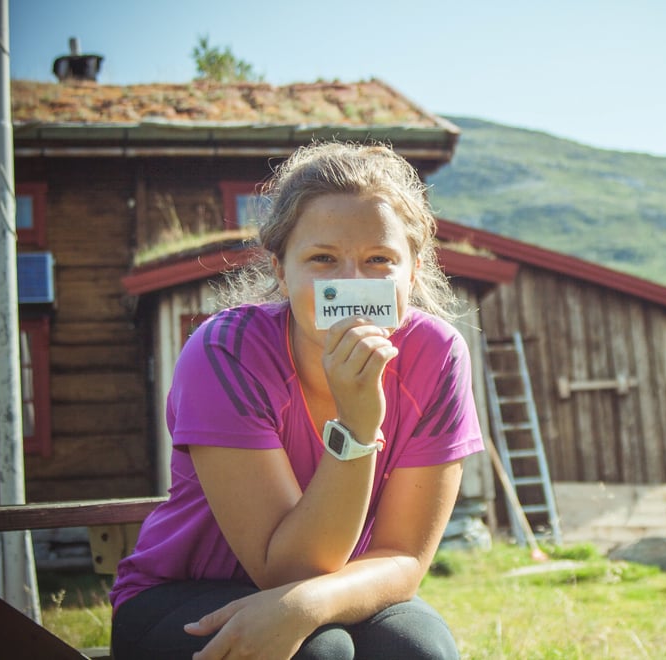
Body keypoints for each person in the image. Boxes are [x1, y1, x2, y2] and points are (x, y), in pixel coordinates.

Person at [109, 142, 484, 659]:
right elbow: (285, 568)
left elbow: (403, 556)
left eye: (379, 260)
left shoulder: (437, 355)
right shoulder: (225, 352)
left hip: (343, 582)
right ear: (281, 270)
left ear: (413, 272)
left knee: (416, 647)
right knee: (319, 653)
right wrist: (357, 427)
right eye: (322, 259)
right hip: (178, 593)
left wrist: (310, 605)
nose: (350, 284)